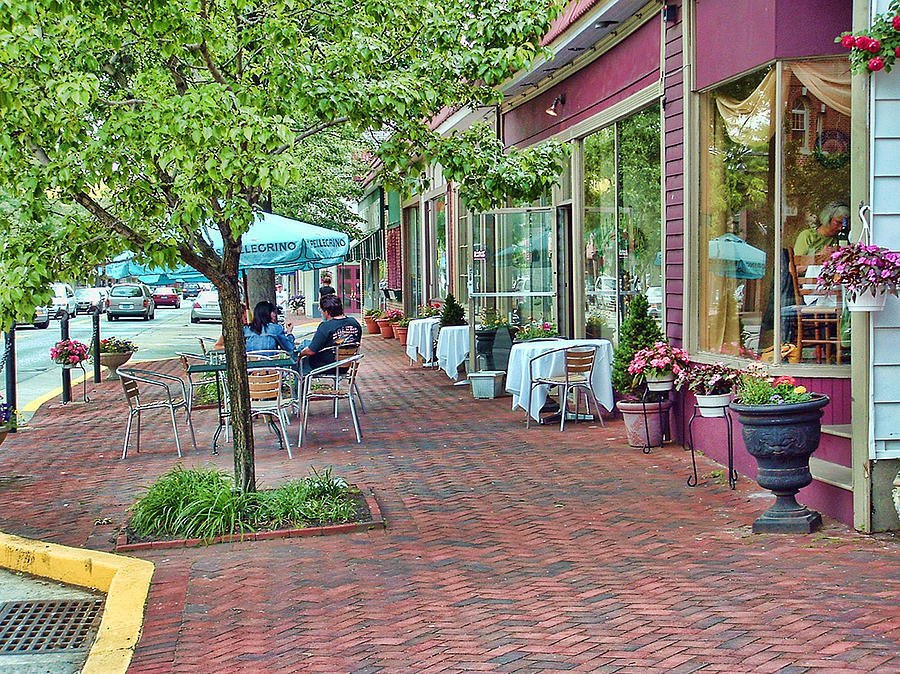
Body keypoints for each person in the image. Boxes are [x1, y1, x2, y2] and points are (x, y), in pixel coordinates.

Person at [300, 294, 362, 372]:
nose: (321, 312)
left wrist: (300, 354)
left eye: (321, 309)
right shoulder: (354, 323)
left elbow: (311, 351)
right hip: (345, 364)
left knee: (303, 352)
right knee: (306, 343)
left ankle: (302, 381)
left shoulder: (326, 326)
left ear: (326, 311)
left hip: (327, 366)